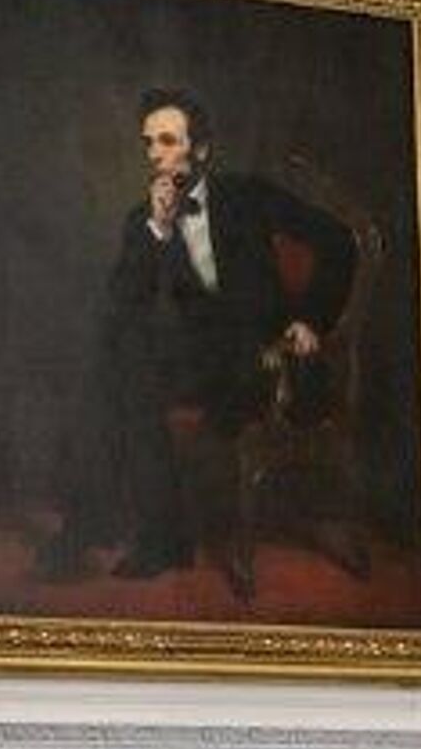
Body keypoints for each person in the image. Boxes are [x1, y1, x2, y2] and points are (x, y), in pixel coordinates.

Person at [102, 87, 357, 593]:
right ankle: (163, 538)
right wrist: (159, 228)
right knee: (124, 367)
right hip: (202, 362)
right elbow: (125, 305)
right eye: (149, 143)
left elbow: (338, 240)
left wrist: (311, 319)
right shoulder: (143, 220)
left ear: (200, 149)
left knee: (160, 368)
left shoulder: (247, 195)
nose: (155, 154)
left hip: (268, 359)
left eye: (168, 141)